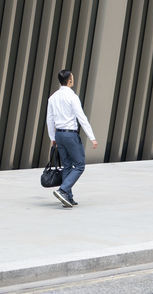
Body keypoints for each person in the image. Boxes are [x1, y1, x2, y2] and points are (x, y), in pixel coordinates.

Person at [46, 69, 99, 208]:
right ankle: (63, 190)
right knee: (80, 164)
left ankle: (68, 197)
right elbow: (81, 117)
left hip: (59, 134)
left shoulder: (53, 97)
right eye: (72, 78)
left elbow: (49, 119)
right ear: (69, 80)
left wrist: (53, 137)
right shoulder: (72, 97)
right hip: (70, 134)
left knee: (67, 165)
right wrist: (92, 137)